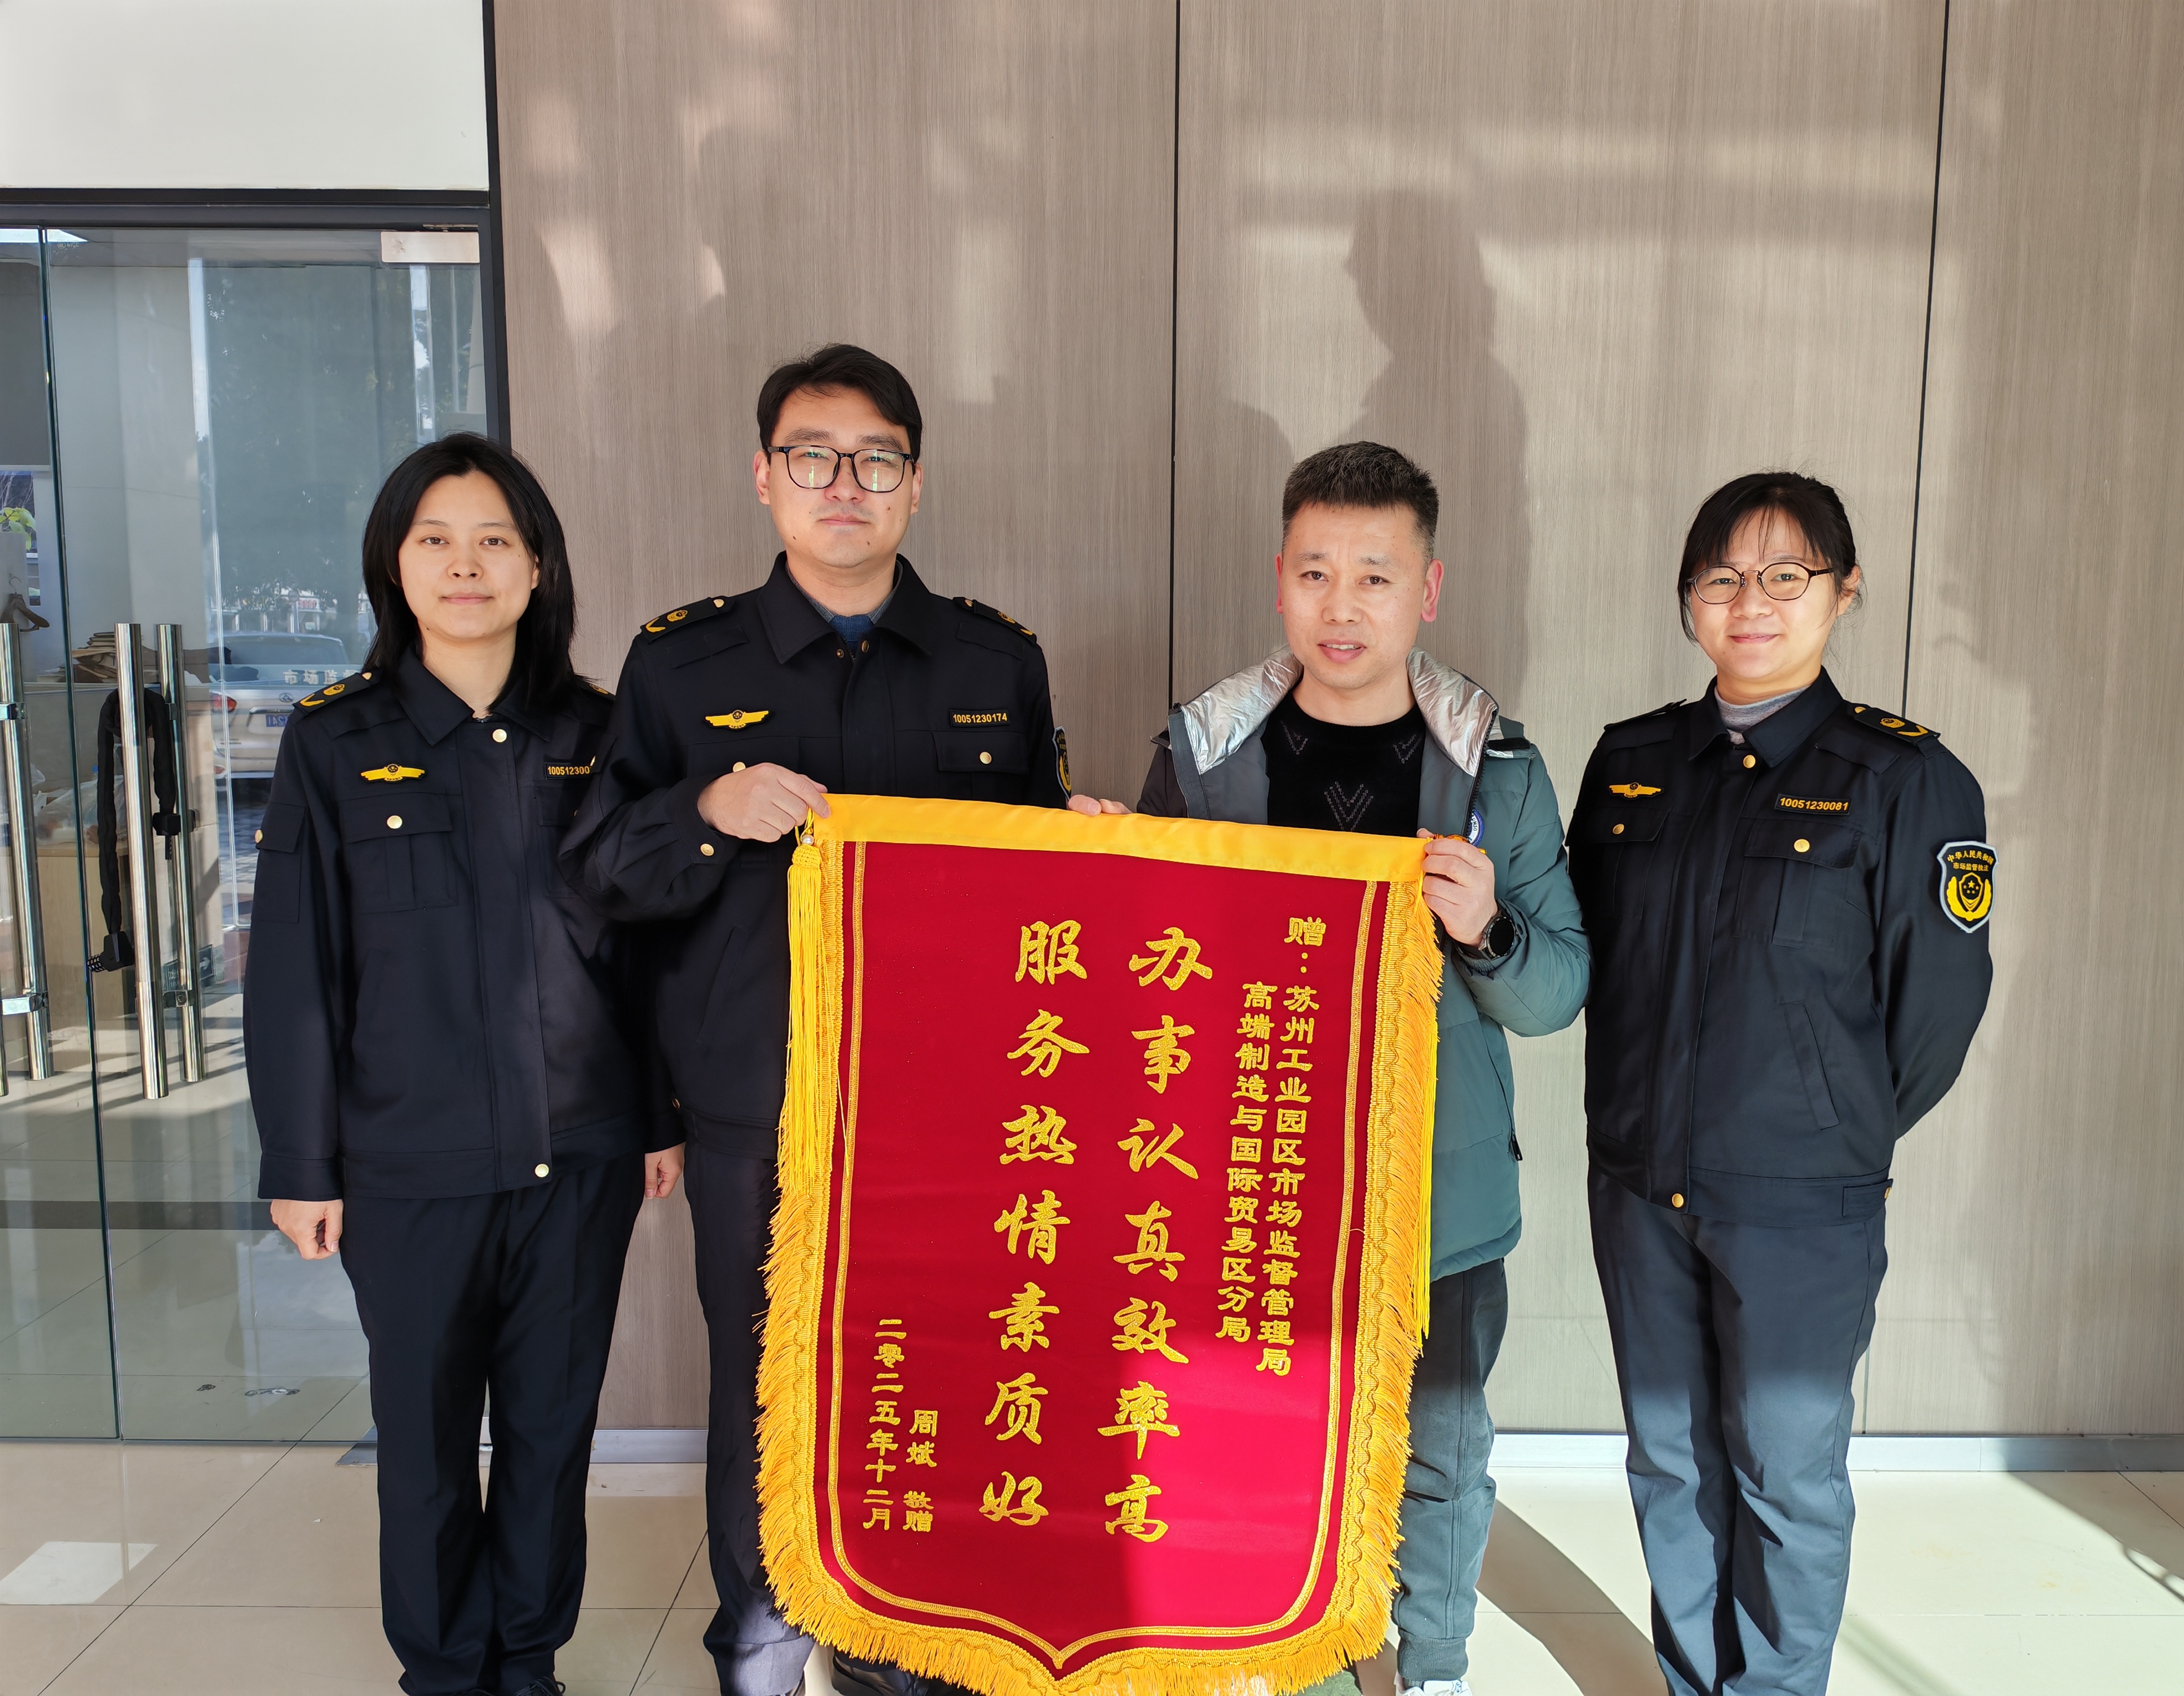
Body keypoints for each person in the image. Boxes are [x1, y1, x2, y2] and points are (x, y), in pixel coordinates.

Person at [561, 344, 1068, 1696]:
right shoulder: (681, 664)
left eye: (876, 458)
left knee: (938, 1373)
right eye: (812, 456)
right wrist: (704, 812)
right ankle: (764, 1646)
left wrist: (1083, 847)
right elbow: (598, 875)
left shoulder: (995, 660)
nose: (845, 483)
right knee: (766, 1386)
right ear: (764, 475)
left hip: (955, 1114)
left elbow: (1042, 893)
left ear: (915, 482)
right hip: (758, 1105)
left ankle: (907, 1644)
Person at [1076, 440, 1589, 1696]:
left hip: (1437, 1190)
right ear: (1278, 581)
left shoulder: (1494, 768)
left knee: (1439, 1451)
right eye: (1315, 573)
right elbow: (1143, 987)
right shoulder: (1205, 756)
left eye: (1374, 575)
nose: (1341, 606)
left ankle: (1435, 1666)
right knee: (1264, 1444)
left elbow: (1557, 993)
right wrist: (1109, 882)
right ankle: (1293, 1653)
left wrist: (1487, 929)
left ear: (1428, 590)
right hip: (1247, 1178)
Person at [249, 433, 681, 1696]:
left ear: (537, 566)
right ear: (393, 565)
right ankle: (443, 1671)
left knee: (551, 1430)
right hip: (405, 1165)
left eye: (495, 539)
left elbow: (649, 946)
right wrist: (300, 1162)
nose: (465, 564)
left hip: (580, 1153)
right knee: (427, 1441)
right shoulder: (336, 740)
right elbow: (295, 966)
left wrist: (657, 1113)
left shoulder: (602, 731)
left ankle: (526, 1660)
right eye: (434, 539)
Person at [1568, 472, 1993, 1696]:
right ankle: (1692, 1680)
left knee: (1785, 1472)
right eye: (1720, 578)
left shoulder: (1905, 778)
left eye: (1784, 576)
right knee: (1668, 1458)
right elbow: (1581, 956)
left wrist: (1825, 1124)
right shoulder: (1632, 762)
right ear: (1687, 601)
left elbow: (1936, 1011)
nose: (1749, 603)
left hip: (1805, 1202)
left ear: (1842, 592)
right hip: (1638, 1184)